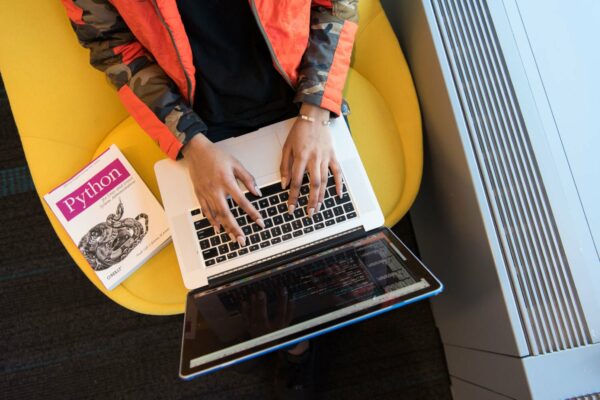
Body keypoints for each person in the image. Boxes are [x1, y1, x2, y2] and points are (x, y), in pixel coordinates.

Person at [61, 0, 359, 397]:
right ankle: (293, 345)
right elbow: (113, 48)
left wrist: (315, 111)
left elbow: (336, 5)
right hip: (201, 123)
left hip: (299, 96)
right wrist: (191, 143)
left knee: (337, 233)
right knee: (237, 263)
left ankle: (296, 341)